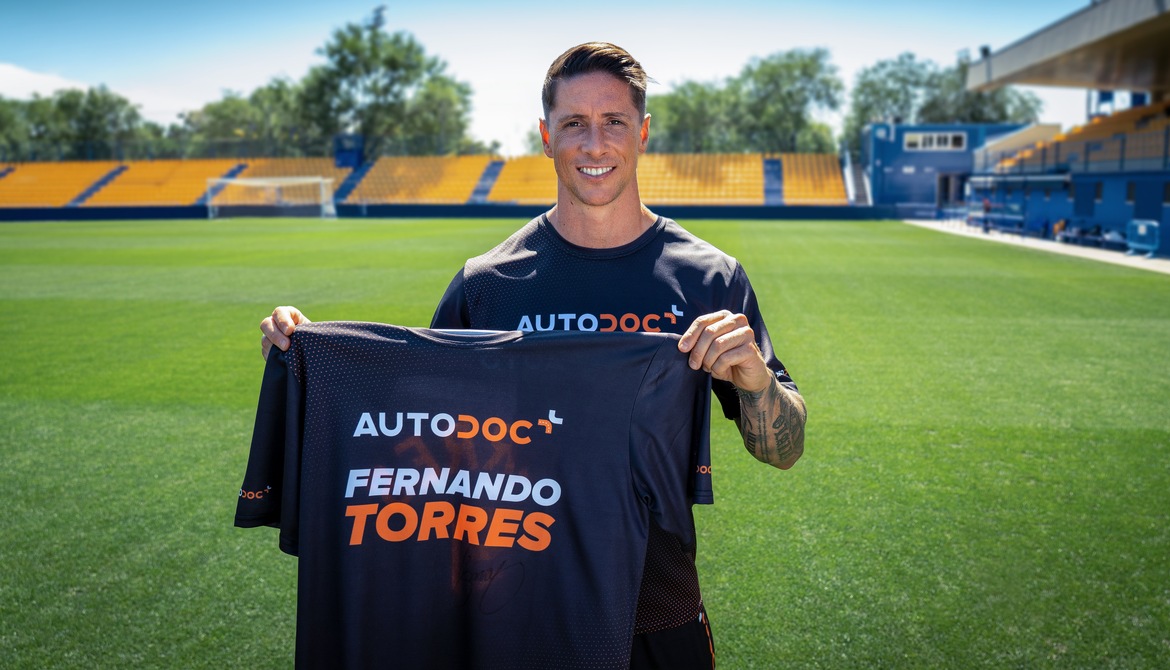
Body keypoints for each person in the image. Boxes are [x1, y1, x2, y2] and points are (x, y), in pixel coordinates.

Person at [260, 41, 807, 669]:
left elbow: (784, 449)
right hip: (517, 615)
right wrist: (313, 357)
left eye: (614, 122)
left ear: (643, 133)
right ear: (547, 137)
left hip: (657, 611)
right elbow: (418, 438)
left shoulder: (709, 278)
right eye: (574, 123)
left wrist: (756, 382)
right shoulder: (487, 284)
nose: (594, 144)